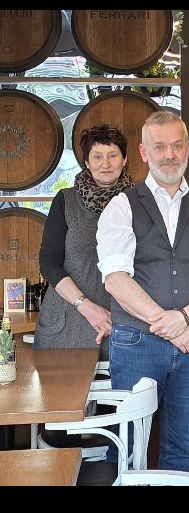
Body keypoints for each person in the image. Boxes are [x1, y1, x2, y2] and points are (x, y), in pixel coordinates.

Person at [96, 110, 189, 472]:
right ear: (144, 153)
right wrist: (170, 325)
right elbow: (115, 278)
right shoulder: (121, 206)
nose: (169, 154)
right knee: (127, 445)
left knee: (182, 445)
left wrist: (185, 316)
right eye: (160, 147)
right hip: (137, 343)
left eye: (176, 145)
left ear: (188, 148)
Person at [35, 125, 134, 358]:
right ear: (87, 162)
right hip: (68, 322)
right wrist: (86, 306)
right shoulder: (66, 200)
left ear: (124, 160)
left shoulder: (139, 203)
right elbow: (49, 262)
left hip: (122, 323)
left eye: (112, 155)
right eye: (97, 156)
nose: (105, 164)